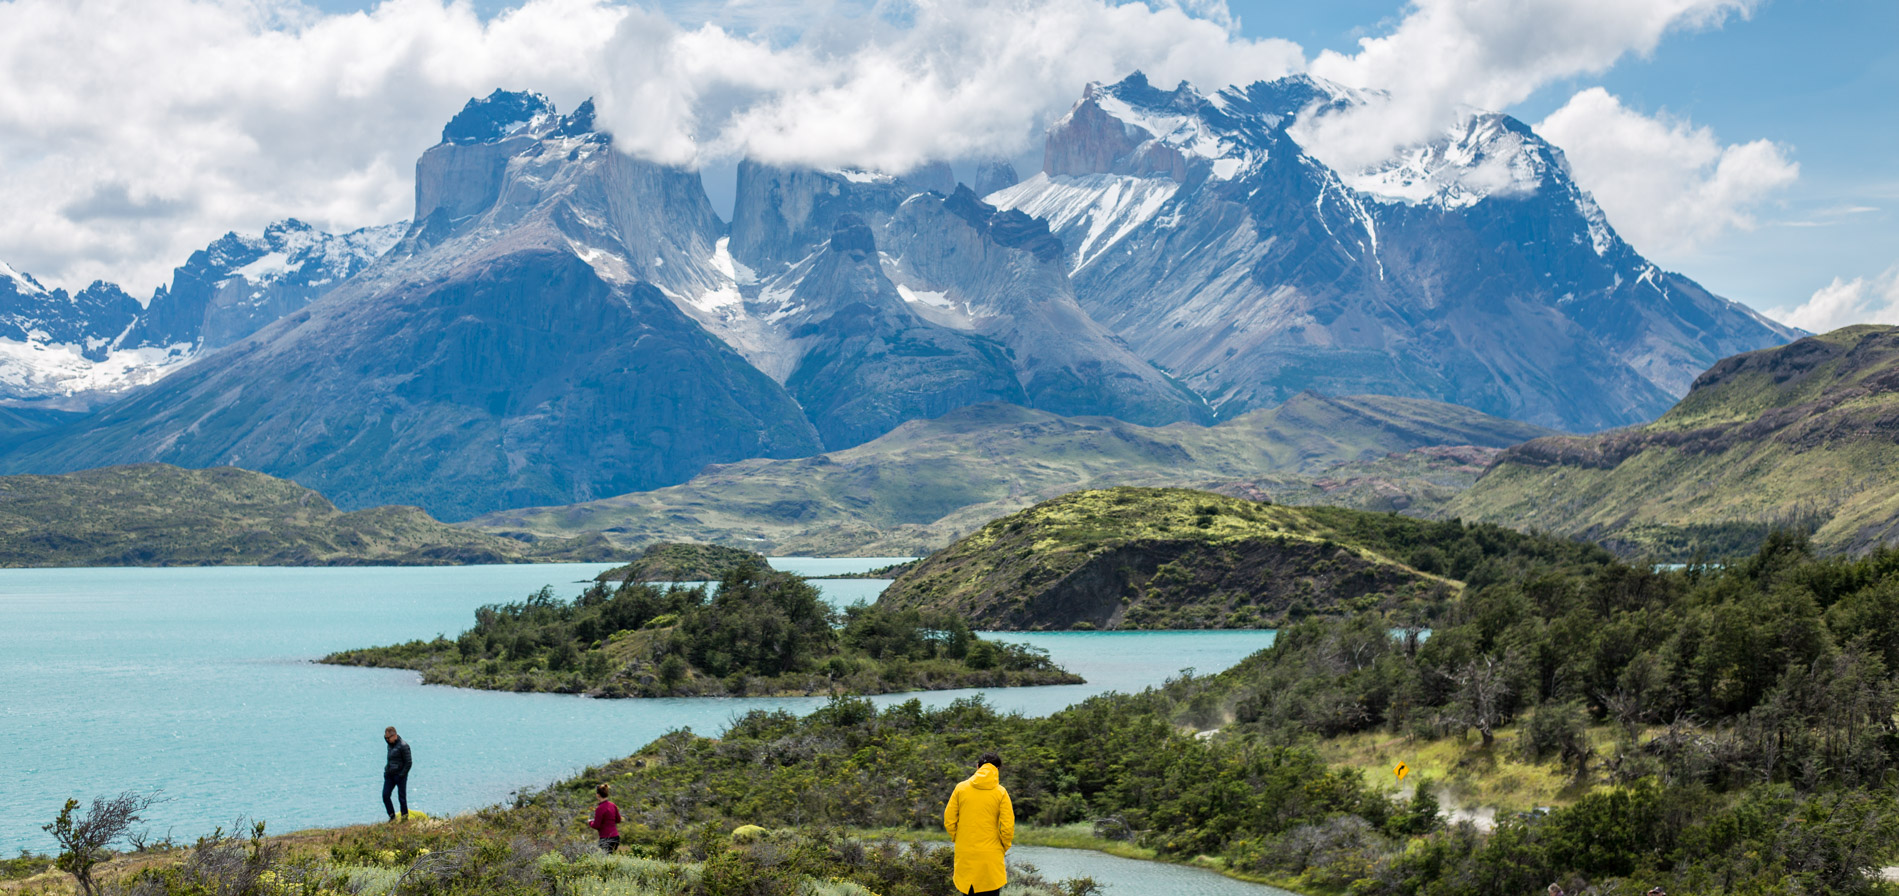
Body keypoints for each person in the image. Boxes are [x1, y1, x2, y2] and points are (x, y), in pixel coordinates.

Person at [943, 751, 1014, 896]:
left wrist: (959, 838)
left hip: (966, 853)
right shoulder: (1001, 792)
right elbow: (1007, 827)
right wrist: (1003, 847)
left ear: (977, 767)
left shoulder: (960, 788)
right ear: (997, 770)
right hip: (991, 856)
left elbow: (949, 820)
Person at [382, 726, 412, 821]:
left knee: (402, 797)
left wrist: (401, 775)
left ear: (394, 735)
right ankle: (392, 817)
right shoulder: (389, 745)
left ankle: (404, 818)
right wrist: (387, 770)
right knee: (385, 795)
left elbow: (408, 762)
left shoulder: (403, 746)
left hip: (400, 776)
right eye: (385, 737)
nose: (386, 740)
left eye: (388, 738)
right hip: (389, 775)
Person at [587, 783, 621, 853]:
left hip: (606, 839)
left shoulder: (599, 808)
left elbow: (596, 825)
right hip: (616, 838)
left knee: (605, 859)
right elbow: (618, 820)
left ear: (598, 795)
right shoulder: (613, 805)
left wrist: (590, 822)